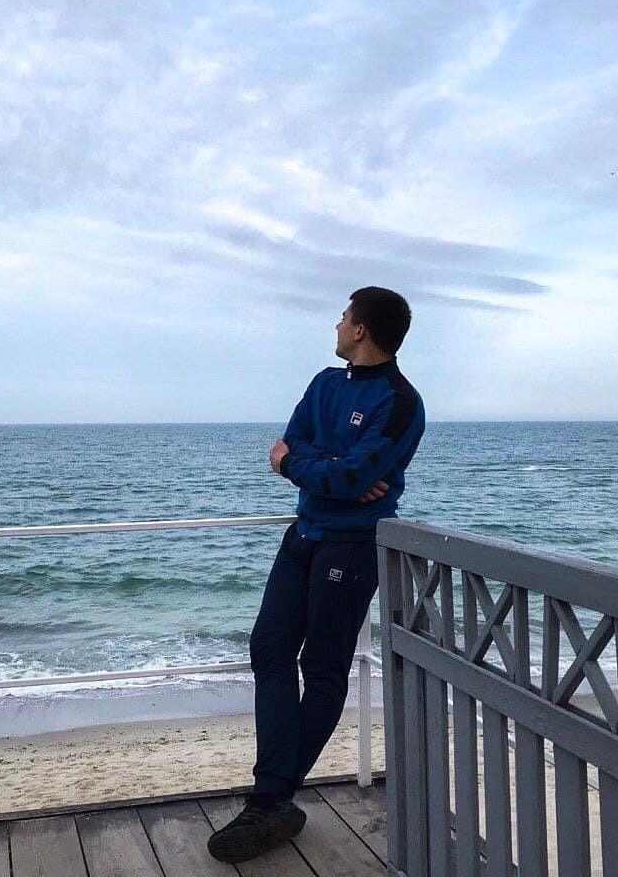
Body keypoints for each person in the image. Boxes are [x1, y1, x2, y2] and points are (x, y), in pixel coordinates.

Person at [208, 286, 426, 864]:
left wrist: (309, 466)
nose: (336, 324)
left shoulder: (401, 402)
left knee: (323, 669)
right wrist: (322, 467)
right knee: (269, 649)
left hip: (350, 547)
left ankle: (270, 796)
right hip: (303, 535)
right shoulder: (325, 383)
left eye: (343, 317)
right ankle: (275, 795)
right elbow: (292, 447)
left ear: (360, 329)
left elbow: (347, 475)